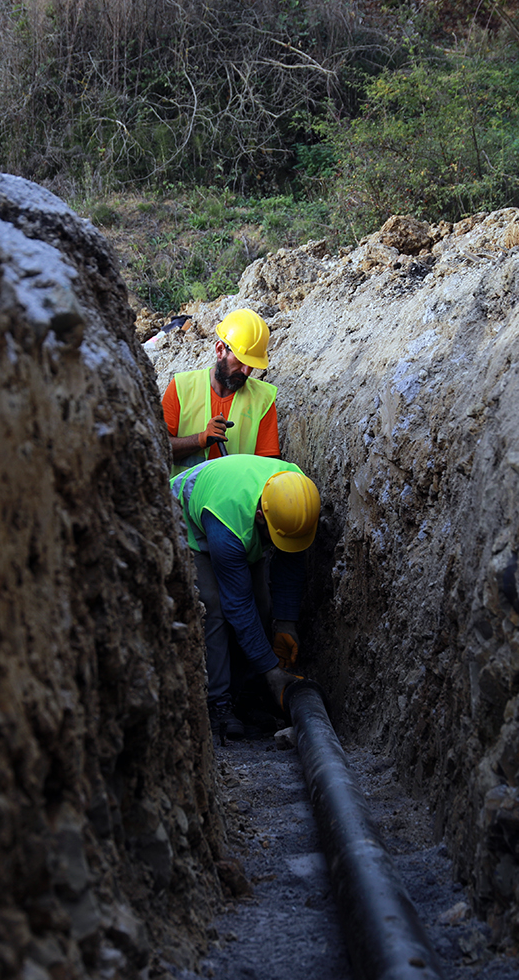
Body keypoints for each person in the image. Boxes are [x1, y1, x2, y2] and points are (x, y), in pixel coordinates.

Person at [171, 454, 319, 741]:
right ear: (261, 517)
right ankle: (218, 704)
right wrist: (272, 669)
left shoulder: (297, 496)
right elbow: (237, 604)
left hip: (237, 520)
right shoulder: (229, 519)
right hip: (188, 521)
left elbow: (290, 563)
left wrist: (285, 624)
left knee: (261, 603)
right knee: (214, 606)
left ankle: (248, 695)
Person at [162, 308, 280, 479]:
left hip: (234, 495)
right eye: (240, 362)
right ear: (220, 350)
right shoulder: (181, 387)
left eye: (252, 365)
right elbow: (156, 449)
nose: (246, 371)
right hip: (185, 495)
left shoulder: (262, 399)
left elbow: (269, 468)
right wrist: (200, 439)